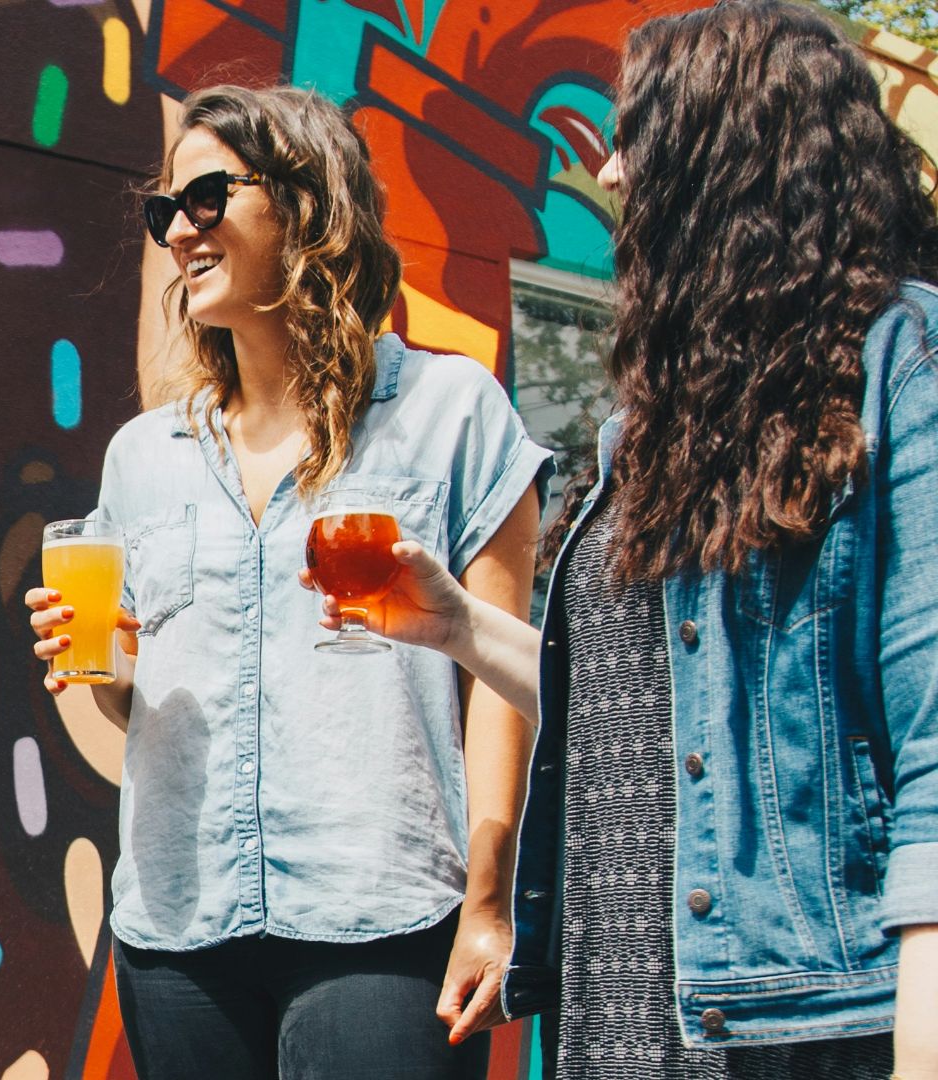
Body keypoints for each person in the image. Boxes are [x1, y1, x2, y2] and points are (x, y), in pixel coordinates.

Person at [304, 3, 938, 1076]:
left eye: (640, 137)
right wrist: (460, 627)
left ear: (727, 154)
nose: (616, 173)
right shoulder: (653, 430)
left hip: (799, 1024)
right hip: (626, 1000)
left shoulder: (899, 367)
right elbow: (637, 715)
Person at [26, 85, 552, 1077]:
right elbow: (141, 696)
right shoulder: (145, 456)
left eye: (207, 198)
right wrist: (99, 669)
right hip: (178, 935)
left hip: (384, 923)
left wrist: (490, 898)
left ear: (308, 203)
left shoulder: (451, 413)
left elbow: (497, 683)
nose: (179, 232)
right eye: (163, 212)